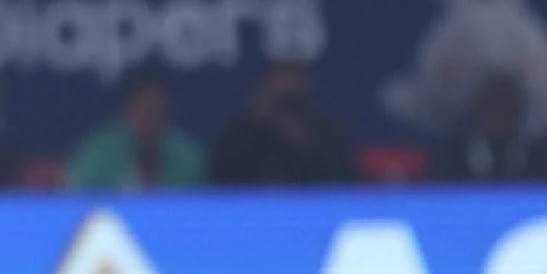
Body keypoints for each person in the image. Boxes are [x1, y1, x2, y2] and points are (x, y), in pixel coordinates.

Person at [210, 60, 352, 185]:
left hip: (309, 202)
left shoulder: (327, 130)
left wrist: (297, 136)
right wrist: (257, 121)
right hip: (248, 203)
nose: (284, 105)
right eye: (279, 95)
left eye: (291, 98)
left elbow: (338, 179)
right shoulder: (240, 129)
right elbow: (221, 177)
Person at [67, 71, 206, 190]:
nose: (148, 122)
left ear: (167, 117)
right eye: (142, 113)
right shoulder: (97, 155)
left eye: (155, 113)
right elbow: (76, 201)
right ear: (127, 113)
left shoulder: (188, 159)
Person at [431, 71, 547, 182]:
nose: (498, 116)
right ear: (479, 110)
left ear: (516, 112)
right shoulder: (453, 156)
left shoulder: (538, 156)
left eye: (505, 109)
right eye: (492, 108)